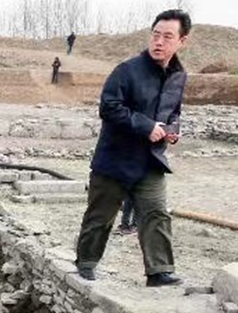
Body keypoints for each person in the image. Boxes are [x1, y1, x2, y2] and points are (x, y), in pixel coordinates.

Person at [74, 9, 191, 288]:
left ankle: (159, 271)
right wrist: (145, 126)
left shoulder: (179, 75)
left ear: (181, 41)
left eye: (167, 37)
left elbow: (173, 110)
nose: (159, 42)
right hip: (116, 158)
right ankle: (86, 262)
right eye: (155, 35)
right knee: (100, 215)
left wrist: (172, 129)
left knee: (156, 214)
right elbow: (109, 107)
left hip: (150, 160)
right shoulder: (127, 70)